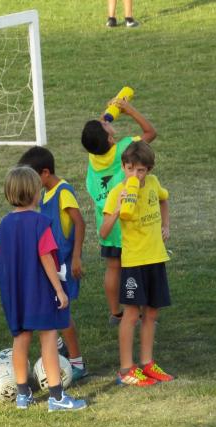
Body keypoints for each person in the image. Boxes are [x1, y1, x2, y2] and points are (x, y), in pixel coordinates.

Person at [0, 166, 87, 411]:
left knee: (21, 339)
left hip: (15, 291)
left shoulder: (4, 224)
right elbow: (46, 257)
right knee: (48, 337)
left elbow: (3, 257)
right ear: (36, 193)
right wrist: (59, 289)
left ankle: (23, 395)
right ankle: (57, 397)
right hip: (39, 289)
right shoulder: (40, 222)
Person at [100, 141, 174, 386]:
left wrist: (166, 225)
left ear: (149, 170)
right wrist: (118, 210)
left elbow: (164, 199)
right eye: (130, 168)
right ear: (123, 167)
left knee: (151, 313)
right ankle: (126, 369)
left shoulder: (153, 184)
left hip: (156, 258)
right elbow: (103, 232)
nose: (135, 174)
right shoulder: (115, 193)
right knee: (131, 314)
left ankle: (147, 362)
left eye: (140, 170)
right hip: (133, 262)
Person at [81, 99, 156, 326]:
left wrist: (107, 118)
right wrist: (128, 109)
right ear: (111, 139)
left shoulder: (93, 155)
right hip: (126, 218)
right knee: (136, 266)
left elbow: (99, 133)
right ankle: (140, 312)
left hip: (107, 219)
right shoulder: (125, 149)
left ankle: (116, 313)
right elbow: (150, 132)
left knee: (113, 267)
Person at [18, 146, 88, 382]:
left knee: (62, 313)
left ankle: (77, 362)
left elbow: (80, 223)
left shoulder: (63, 191)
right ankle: (59, 345)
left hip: (65, 263)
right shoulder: (45, 193)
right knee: (50, 307)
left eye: (33, 178)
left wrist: (77, 257)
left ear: (45, 173)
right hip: (50, 262)